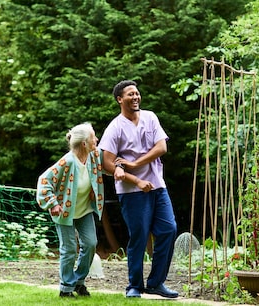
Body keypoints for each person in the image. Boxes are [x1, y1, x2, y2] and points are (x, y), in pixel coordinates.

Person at [98, 80, 178, 298]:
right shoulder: (115, 127)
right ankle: (134, 285)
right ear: (119, 99)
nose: (135, 97)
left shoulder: (150, 117)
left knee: (168, 229)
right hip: (132, 192)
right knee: (139, 236)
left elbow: (162, 147)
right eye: (130, 94)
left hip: (157, 186)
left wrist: (135, 164)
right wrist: (134, 178)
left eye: (137, 93)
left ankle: (156, 283)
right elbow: (107, 161)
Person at [36, 122, 106, 299]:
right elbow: (44, 181)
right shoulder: (67, 161)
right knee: (68, 249)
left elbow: (108, 165)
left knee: (90, 244)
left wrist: (120, 166)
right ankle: (66, 288)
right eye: (93, 137)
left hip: (84, 210)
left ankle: (78, 282)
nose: (96, 139)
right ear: (84, 143)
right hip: (64, 212)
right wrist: (52, 203)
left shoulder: (94, 156)